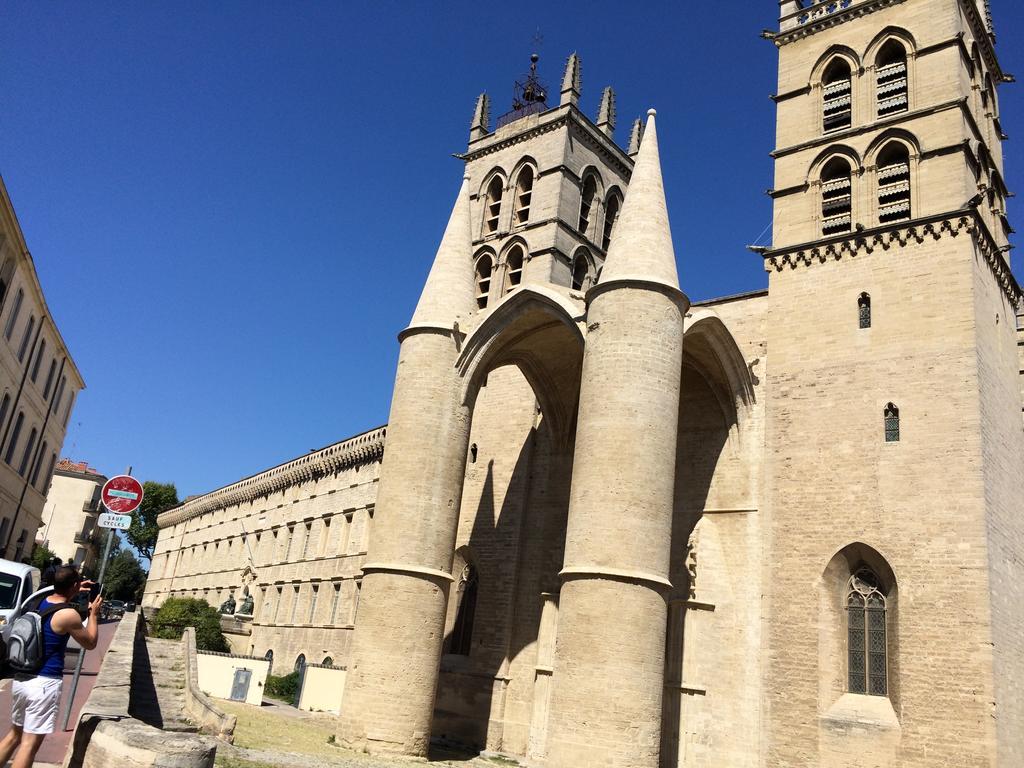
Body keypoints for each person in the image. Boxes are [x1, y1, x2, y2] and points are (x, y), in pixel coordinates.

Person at [0, 565, 102, 768]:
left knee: (14, 736)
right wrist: (94, 615)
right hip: (44, 684)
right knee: (29, 744)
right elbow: (90, 642)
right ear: (73, 585)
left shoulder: (38, 602)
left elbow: (56, 592)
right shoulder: (68, 615)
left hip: (22, 679)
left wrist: (74, 587)